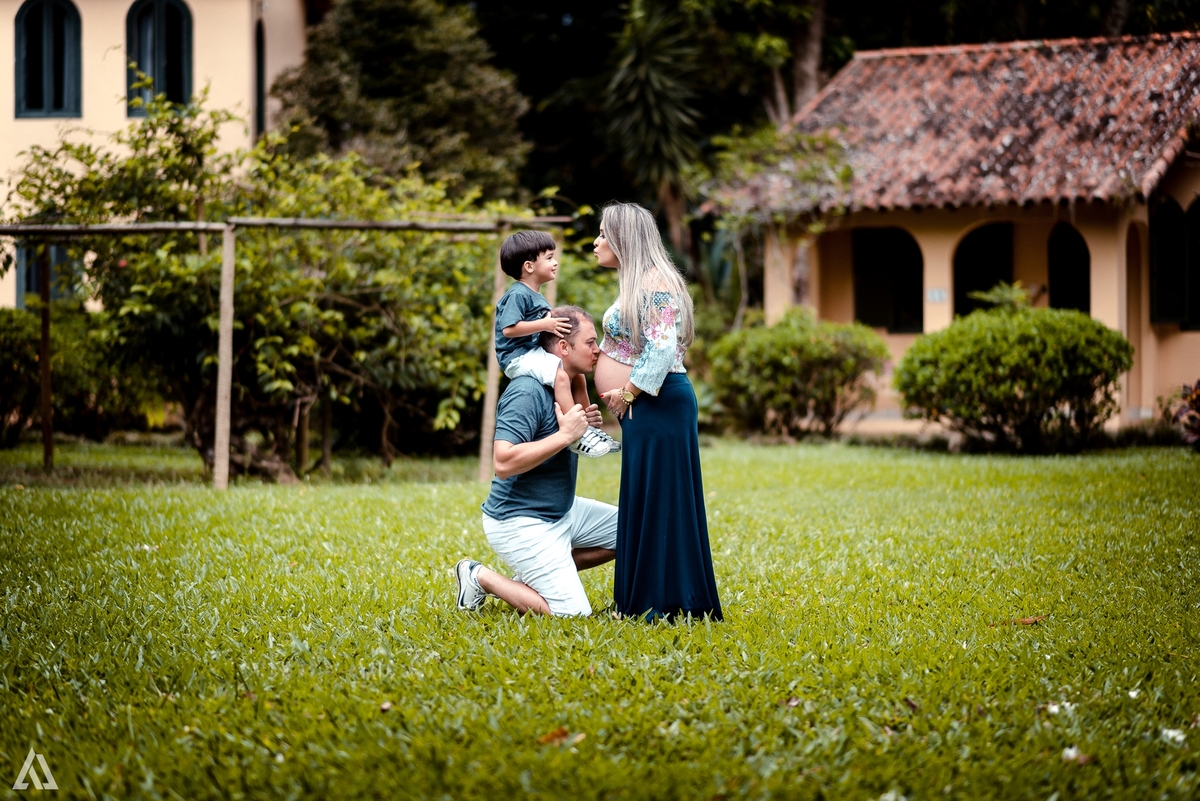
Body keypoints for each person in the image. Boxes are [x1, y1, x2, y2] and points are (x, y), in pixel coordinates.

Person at [592, 202, 723, 621]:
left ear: (623, 239)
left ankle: (663, 603)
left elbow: (664, 347)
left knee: (663, 500)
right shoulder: (638, 283)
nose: (596, 242)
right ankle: (641, 598)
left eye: (602, 234)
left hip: (659, 403)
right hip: (649, 405)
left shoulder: (656, 282)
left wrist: (628, 392)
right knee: (646, 498)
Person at [456, 305, 619, 616]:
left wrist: (584, 425)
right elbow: (502, 463)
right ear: (563, 347)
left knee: (633, 530)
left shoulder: (570, 385)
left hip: (561, 510)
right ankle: (478, 575)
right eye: (590, 342)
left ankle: (533, 577)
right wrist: (564, 435)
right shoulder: (527, 392)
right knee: (573, 615)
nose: (598, 350)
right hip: (520, 520)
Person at [494, 230, 619, 457]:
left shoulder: (535, 295)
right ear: (529, 266)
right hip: (516, 356)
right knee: (561, 374)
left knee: (577, 374)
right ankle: (576, 434)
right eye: (549, 257)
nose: (555, 262)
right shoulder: (518, 294)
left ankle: (588, 427)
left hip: (530, 351)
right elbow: (508, 329)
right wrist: (546, 325)